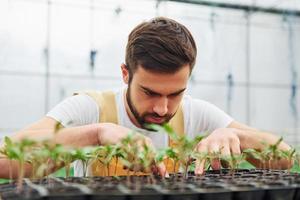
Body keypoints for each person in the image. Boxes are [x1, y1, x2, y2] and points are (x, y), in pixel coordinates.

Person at [0, 17, 292, 179]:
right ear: (126, 74)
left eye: (175, 94)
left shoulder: (196, 114)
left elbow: (286, 159)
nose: (163, 108)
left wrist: (237, 137)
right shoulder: (90, 108)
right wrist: (96, 134)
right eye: (149, 92)